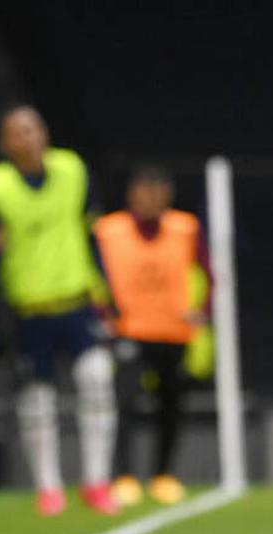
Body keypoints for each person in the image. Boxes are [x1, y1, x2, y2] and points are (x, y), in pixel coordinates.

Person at [0, 105, 119, 517]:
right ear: (5, 143)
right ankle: (49, 487)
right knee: (38, 399)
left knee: (96, 382)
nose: (29, 138)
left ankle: (97, 481)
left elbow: (92, 233)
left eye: (34, 128)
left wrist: (105, 293)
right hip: (28, 308)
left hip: (76, 302)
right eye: (18, 132)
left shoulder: (73, 169)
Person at [94, 166, 209, 506]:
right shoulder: (109, 230)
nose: (151, 198)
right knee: (124, 404)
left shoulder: (185, 228)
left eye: (158, 191)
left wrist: (202, 309)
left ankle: (164, 475)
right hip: (129, 330)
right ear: (132, 194)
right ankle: (125, 476)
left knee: (171, 407)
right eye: (145, 191)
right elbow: (93, 273)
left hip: (174, 330)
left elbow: (207, 271)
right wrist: (104, 313)